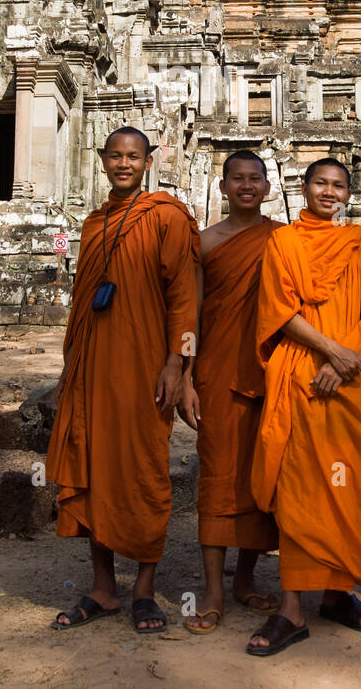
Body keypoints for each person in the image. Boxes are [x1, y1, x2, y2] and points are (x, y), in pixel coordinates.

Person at [46, 127, 199, 633]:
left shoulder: (167, 217)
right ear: (103, 160)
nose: (124, 164)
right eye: (115, 155)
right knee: (91, 467)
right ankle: (103, 587)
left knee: (145, 472)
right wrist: (71, 365)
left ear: (149, 162)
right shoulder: (93, 224)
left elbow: (184, 299)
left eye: (134, 156)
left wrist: (178, 364)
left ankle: (144, 591)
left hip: (145, 371)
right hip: (92, 369)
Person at [247, 158, 361, 656]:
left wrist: (344, 359)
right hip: (301, 376)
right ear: (305, 188)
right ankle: (291, 608)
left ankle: (338, 592)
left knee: (350, 485)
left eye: (337, 186)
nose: (328, 192)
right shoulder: (284, 242)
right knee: (299, 490)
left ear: (348, 195)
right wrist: (331, 351)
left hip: (351, 382)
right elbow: (278, 309)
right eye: (320, 183)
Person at [180, 150, 280, 633]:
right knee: (219, 474)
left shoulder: (284, 239)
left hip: (272, 371)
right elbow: (190, 317)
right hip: (216, 373)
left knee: (263, 475)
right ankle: (213, 588)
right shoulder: (203, 243)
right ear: (222, 188)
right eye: (236, 179)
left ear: (267, 187)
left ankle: (244, 577)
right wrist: (184, 378)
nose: (246, 186)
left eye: (254, 179)